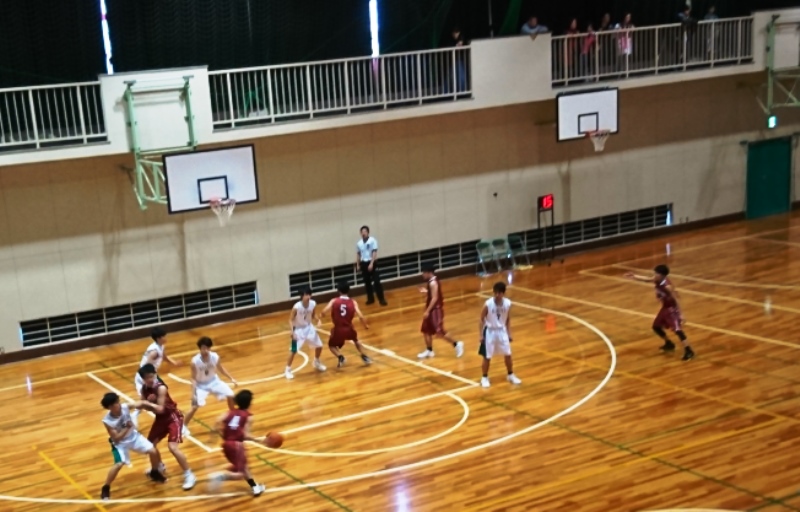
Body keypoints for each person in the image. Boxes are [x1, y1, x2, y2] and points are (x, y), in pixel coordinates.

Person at [138, 363, 197, 490]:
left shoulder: (161, 388)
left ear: (155, 374)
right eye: (147, 377)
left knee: (172, 447)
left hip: (173, 417)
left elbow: (159, 409)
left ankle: (189, 475)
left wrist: (148, 404)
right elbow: (143, 405)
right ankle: (159, 466)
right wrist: (145, 404)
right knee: (150, 445)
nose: (150, 379)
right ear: (143, 379)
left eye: (151, 376)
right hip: (161, 419)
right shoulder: (144, 389)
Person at [100, 392, 166, 500]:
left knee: (153, 451)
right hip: (120, 443)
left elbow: (140, 403)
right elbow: (116, 438)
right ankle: (106, 487)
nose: (118, 404)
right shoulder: (107, 421)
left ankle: (154, 472)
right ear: (110, 407)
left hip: (133, 437)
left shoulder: (124, 407)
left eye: (118, 401)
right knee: (119, 464)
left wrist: (152, 404)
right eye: (115, 403)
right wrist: (126, 428)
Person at [625, 265, 695, 361]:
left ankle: (689, 350)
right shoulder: (657, 280)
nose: (655, 274)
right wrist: (634, 276)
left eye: (656, 273)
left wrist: (681, 314)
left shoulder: (667, 286)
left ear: (662, 275)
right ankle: (669, 343)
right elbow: (647, 279)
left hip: (672, 309)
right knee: (656, 327)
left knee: (678, 330)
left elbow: (676, 299)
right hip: (665, 308)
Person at [209, 389, 266, 496]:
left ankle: (255, 487)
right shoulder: (248, 417)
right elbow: (246, 435)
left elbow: (217, 421)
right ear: (250, 403)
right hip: (236, 445)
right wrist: (260, 440)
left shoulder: (230, 412)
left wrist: (219, 434)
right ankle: (221, 476)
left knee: (244, 467)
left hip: (226, 444)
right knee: (240, 474)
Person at [182, 337, 238, 435]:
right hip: (200, 385)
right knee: (194, 406)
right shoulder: (194, 361)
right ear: (200, 348)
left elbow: (221, 368)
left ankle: (233, 419)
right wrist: (193, 393)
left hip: (214, 381)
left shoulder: (215, 356)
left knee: (231, 395)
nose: (206, 350)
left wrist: (231, 378)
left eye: (208, 348)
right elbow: (193, 379)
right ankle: (183, 427)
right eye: (204, 348)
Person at [132, 327, 180, 429]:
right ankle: (172, 418)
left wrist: (174, 362)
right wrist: (149, 383)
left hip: (149, 376)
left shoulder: (160, 346)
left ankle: (135, 415)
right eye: (164, 336)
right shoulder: (154, 352)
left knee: (153, 397)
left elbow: (164, 357)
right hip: (144, 377)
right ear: (158, 338)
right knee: (153, 397)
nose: (166, 338)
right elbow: (146, 367)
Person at [478, 282, 522, 388]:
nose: (497, 295)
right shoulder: (488, 304)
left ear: (503, 293)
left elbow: (508, 319)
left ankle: (510, 375)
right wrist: (480, 335)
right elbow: (481, 319)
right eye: (495, 293)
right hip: (490, 331)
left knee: (508, 354)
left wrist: (509, 333)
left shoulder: (507, 303)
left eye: (499, 293)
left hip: (502, 331)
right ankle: (484, 377)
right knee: (487, 356)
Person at [417, 264, 464, 359]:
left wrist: (427, 311)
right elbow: (434, 293)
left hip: (435, 310)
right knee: (426, 330)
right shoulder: (432, 281)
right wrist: (426, 291)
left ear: (428, 272)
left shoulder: (433, 283)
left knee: (439, 331)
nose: (422, 274)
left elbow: (434, 298)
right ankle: (429, 350)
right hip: (431, 309)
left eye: (424, 272)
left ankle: (457, 344)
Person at [320, 281, 372, 368]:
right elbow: (360, 315)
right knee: (356, 341)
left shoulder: (334, 301)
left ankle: (341, 357)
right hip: (349, 328)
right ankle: (365, 356)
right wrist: (365, 325)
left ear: (338, 290)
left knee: (331, 345)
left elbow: (324, 311)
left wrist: (321, 316)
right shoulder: (353, 302)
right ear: (348, 290)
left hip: (338, 329)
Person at [286, 288, 327, 379]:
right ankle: (287, 370)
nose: (308, 296)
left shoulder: (313, 303)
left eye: (309, 294)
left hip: (309, 328)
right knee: (293, 350)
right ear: (302, 296)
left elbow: (313, 314)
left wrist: (318, 320)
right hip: (297, 330)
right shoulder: (296, 307)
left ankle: (316, 362)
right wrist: (292, 331)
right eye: (306, 295)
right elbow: (290, 320)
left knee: (319, 346)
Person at [356, 226, 387, 306]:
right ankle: (370, 299)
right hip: (364, 263)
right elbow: (358, 254)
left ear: (368, 232)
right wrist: (358, 264)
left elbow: (374, 252)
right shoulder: (359, 243)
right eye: (362, 232)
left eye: (365, 231)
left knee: (377, 281)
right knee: (367, 282)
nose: (363, 233)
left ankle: (381, 299)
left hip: (372, 262)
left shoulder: (372, 240)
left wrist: (372, 263)